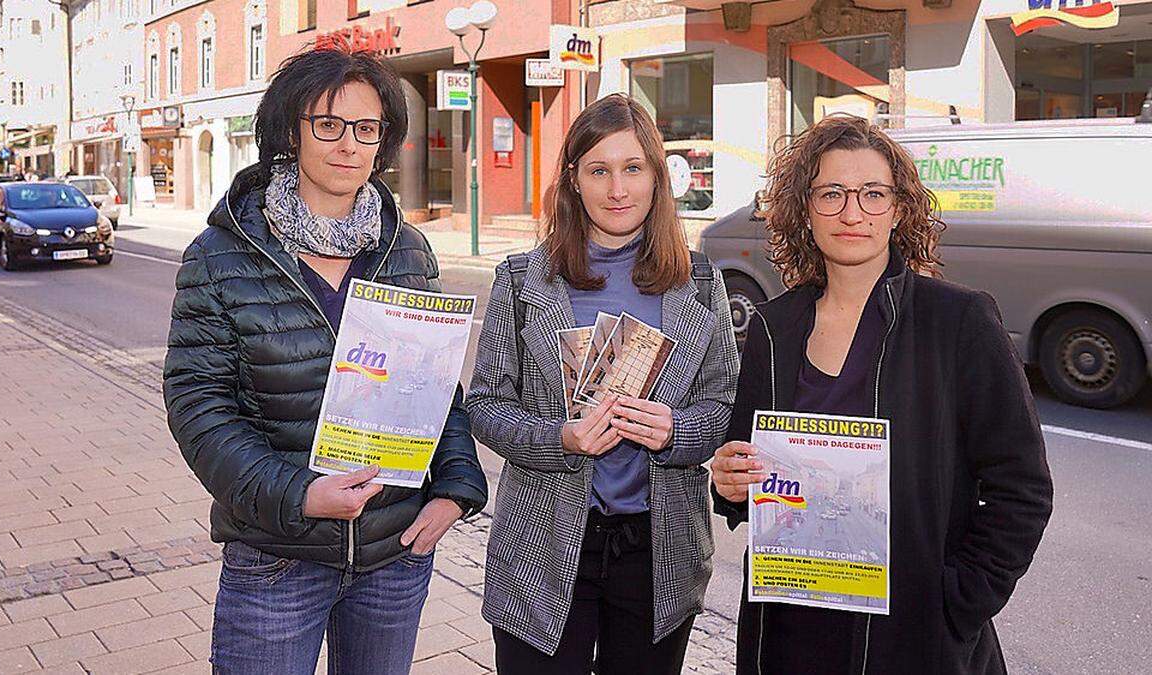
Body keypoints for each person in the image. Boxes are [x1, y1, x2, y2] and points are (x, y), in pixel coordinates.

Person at [162, 46, 487, 675]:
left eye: (366, 129)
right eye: (328, 124)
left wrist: (455, 488)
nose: (347, 145)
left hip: (395, 552)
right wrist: (301, 496)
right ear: (292, 130)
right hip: (276, 555)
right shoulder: (219, 255)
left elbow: (434, 384)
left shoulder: (407, 250)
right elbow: (199, 407)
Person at [710, 115, 1053, 674]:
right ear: (805, 209)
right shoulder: (774, 328)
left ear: (897, 209)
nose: (852, 213)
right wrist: (729, 481)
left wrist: (957, 599)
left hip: (913, 639)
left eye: (873, 194)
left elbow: (1023, 489)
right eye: (832, 194)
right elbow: (747, 472)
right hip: (791, 629)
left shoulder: (958, 321)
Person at [466, 94, 740, 675]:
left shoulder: (702, 282)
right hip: (542, 543)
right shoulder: (522, 282)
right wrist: (560, 439)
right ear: (574, 179)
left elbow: (722, 404)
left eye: (633, 168)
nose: (618, 189)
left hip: (659, 549)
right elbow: (485, 407)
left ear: (656, 178)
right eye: (599, 170)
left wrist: (676, 431)